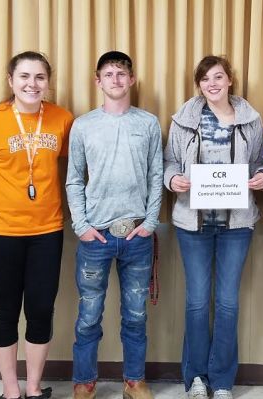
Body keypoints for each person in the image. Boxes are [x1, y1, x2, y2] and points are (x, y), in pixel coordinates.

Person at [0, 51, 74, 399]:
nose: (32, 84)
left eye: (40, 77)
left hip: (47, 230)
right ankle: (11, 391)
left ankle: (34, 387)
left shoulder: (62, 119)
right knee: (6, 310)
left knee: (41, 309)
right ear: (11, 81)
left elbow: (67, 169)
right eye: (24, 76)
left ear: (48, 82)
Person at [163, 55, 263, 399]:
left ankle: (222, 381)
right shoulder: (184, 120)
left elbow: (260, 163)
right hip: (192, 225)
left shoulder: (250, 120)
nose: (213, 84)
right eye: (206, 78)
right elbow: (168, 163)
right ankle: (196, 378)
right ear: (199, 85)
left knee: (227, 303)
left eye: (219, 77)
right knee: (196, 302)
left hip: (236, 224)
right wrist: (173, 179)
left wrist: (261, 178)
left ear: (230, 80)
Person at [66, 51, 163, 399]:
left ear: (132, 79)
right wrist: (81, 225)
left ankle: (134, 381)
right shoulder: (84, 125)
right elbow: (74, 180)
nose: (116, 80)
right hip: (96, 237)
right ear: (98, 81)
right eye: (108, 74)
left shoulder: (148, 123)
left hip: (136, 234)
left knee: (135, 316)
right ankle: (85, 381)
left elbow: (156, 175)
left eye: (122, 73)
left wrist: (150, 222)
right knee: (89, 316)